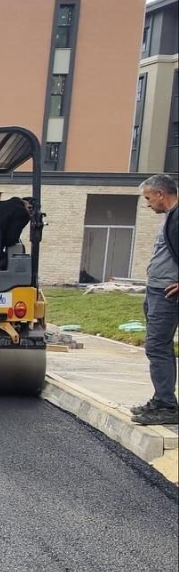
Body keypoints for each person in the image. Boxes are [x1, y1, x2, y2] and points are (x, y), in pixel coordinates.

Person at [134, 174, 179, 426]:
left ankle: (166, 406)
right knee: (159, 347)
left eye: (149, 198)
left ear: (161, 194)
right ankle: (162, 399)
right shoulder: (170, 218)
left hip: (167, 294)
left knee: (157, 347)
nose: (148, 204)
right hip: (156, 291)